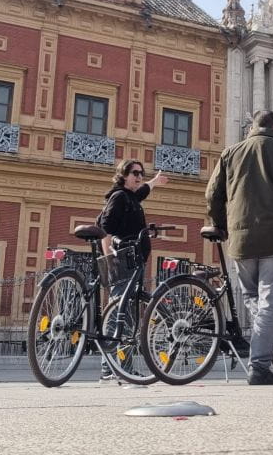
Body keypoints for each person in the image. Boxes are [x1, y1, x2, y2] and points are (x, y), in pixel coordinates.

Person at [206, 110, 273, 385]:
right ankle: (261, 365)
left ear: (252, 128)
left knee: (253, 298)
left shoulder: (230, 153)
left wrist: (221, 224)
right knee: (269, 302)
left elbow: (212, 194)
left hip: (240, 239)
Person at [96, 159, 168, 381]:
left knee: (123, 313)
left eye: (141, 173)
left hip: (133, 262)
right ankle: (117, 367)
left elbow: (142, 192)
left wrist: (154, 182)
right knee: (120, 313)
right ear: (123, 175)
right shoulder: (118, 197)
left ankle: (113, 367)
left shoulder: (131, 197)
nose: (139, 176)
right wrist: (109, 259)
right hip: (122, 262)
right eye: (134, 173)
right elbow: (105, 230)